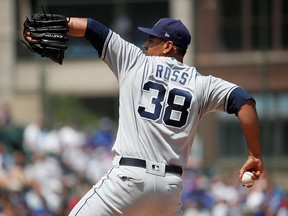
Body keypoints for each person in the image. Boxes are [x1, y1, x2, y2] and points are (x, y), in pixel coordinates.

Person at [24, 16, 264, 216]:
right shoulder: (201, 84)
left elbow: (92, 28)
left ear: (168, 46)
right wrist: (254, 154)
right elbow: (244, 101)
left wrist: (63, 22)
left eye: (151, 40)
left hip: (129, 180)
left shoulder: (136, 62)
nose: (145, 45)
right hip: (169, 191)